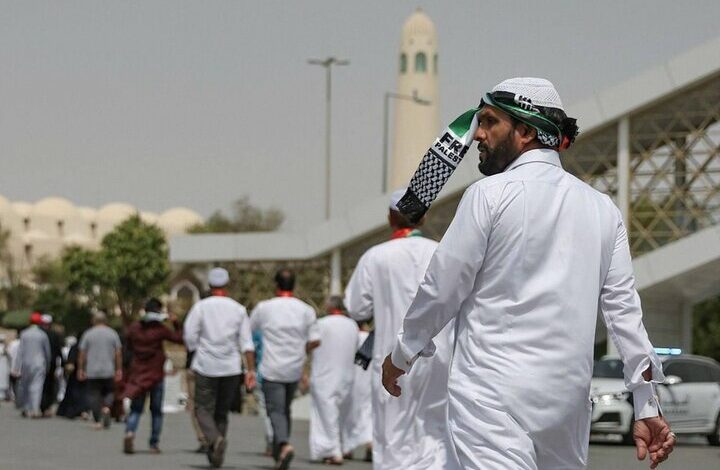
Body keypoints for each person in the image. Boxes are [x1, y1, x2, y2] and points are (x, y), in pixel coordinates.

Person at [382, 77, 677, 470]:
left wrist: (402, 353)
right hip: (567, 408)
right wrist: (647, 402)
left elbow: (441, 289)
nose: (477, 136)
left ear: (523, 131)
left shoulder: (489, 195)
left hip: (490, 400)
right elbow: (624, 314)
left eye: (488, 122)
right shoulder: (602, 209)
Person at [345, 189, 455, 470]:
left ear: (391, 217)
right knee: (434, 433)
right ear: (423, 217)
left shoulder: (376, 257)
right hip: (440, 357)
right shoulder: (441, 250)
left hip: (391, 358)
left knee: (392, 436)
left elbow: (356, 308)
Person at [184, 267, 256, 468]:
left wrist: (196, 350)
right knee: (222, 411)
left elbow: (190, 335)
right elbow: (247, 344)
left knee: (202, 408)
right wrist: (250, 370)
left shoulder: (201, 307)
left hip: (206, 365)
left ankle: (214, 440)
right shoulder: (238, 309)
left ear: (210, 285)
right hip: (231, 367)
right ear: (227, 285)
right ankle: (216, 454)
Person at [250, 268, 320, 470]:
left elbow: (249, 330)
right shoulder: (306, 310)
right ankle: (279, 452)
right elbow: (315, 340)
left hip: (272, 367)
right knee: (284, 409)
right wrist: (300, 349)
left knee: (275, 411)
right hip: (294, 368)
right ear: (294, 285)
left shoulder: (264, 308)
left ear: (276, 285)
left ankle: (283, 444)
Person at [122, 298, 185, 454]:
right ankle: (153, 443)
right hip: (156, 373)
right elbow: (179, 339)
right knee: (156, 411)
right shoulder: (160, 329)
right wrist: (176, 323)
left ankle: (130, 432)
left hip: (138, 373)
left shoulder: (135, 328)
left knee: (136, 408)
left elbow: (127, 345)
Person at [308, 296, 358, 464]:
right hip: (346, 376)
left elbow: (311, 343)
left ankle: (333, 451)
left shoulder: (322, 323)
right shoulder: (352, 325)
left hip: (324, 375)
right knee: (341, 414)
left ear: (329, 306)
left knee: (325, 415)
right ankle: (342, 446)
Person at [77, 311, 123, 430]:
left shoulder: (88, 334)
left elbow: (82, 353)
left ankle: (98, 420)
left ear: (94, 321)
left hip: (92, 370)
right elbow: (118, 353)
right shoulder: (112, 334)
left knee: (93, 394)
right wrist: (119, 369)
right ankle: (107, 407)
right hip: (108, 369)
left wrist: (81, 369)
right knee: (110, 391)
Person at [341, 320, 373, 462]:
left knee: (348, 413)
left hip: (352, 380)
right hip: (370, 381)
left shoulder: (350, 335)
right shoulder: (372, 338)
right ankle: (370, 444)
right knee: (369, 413)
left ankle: (347, 447)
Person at [12, 313, 51, 418]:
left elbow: (20, 351)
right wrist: (48, 364)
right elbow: (47, 352)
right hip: (39, 363)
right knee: (37, 386)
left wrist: (16, 367)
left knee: (26, 386)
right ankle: (35, 409)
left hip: (26, 363)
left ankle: (26, 408)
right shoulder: (42, 335)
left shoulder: (24, 334)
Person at [56, 334, 89, 419]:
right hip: (87, 373)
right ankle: (83, 410)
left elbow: (70, 361)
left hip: (76, 373)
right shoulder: (89, 347)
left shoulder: (76, 347)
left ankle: (73, 411)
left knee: (74, 393)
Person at [40, 314, 63, 416]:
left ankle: (41, 404)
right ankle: (47, 406)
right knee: (49, 384)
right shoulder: (54, 335)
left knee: (41, 384)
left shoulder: (39, 334)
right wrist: (62, 361)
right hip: (51, 363)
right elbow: (58, 350)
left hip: (41, 362)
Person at [0, 334, 10, 401]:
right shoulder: (4, 348)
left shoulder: (6, 348)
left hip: (4, 366)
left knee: (4, 380)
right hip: (2, 366)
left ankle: (4, 395)